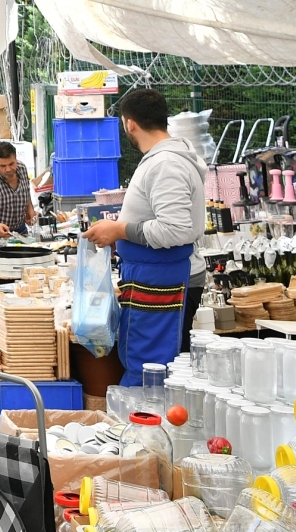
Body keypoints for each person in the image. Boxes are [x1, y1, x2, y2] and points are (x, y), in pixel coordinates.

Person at [83, 89, 206, 384]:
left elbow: (174, 229)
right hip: (154, 276)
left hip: (165, 281)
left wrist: (119, 229)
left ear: (129, 124)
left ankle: (151, 425)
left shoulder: (166, 164)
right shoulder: (163, 160)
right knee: (153, 366)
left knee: (154, 370)